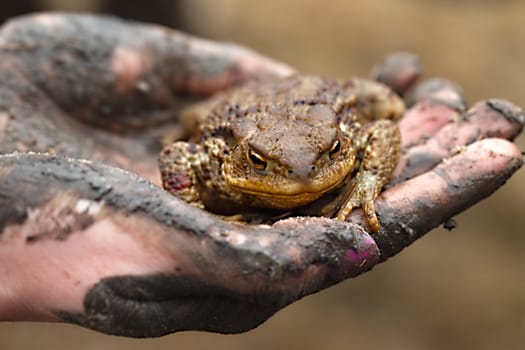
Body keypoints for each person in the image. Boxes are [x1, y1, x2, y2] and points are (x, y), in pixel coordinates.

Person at [0, 13, 522, 338]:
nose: (299, 179)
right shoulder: (220, 154)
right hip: (243, 116)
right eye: (263, 167)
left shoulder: (344, 136)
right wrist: (193, 206)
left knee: (383, 101)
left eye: (329, 157)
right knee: (195, 118)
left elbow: (383, 131)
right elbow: (181, 153)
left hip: (310, 109)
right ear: (239, 159)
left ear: (339, 144)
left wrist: (366, 182)